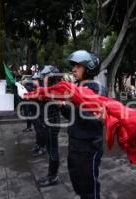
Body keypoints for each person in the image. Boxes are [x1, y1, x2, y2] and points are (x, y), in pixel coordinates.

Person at [60, 50, 106, 199]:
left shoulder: (96, 89)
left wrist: (77, 102)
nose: (73, 69)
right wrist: (61, 105)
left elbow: (94, 119)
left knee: (89, 186)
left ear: (89, 68)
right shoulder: (77, 88)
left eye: (78, 66)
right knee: (76, 179)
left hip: (88, 146)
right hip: (74, 142)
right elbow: (72, 116)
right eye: (73, 66)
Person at [35, 65, 61, 187]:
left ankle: (53, 177)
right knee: (51, 150)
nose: (43, 78)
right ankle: (51, 175)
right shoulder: (49, 89)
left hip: (52, 122)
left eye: (45, 76)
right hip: (47, 121)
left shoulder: (55, 90)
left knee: (53, 151)